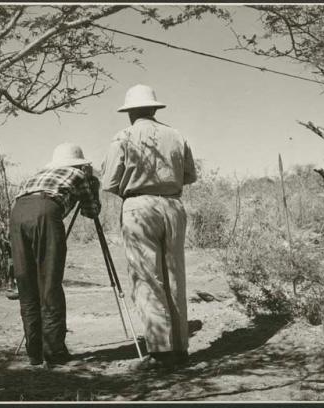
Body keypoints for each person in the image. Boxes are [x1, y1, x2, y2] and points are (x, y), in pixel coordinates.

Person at [101, 84, 197, 370]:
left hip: (139, 206)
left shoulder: (123, 137)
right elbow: (189, 175)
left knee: (146, 277)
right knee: (174, 275)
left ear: (129, 112)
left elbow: (108, 182)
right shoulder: (176, 135)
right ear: (155, 109)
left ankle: (160, 352)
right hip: (173, 205)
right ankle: (179, 349)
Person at [10, 143, 100, 366]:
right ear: (81, 164)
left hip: (17, 214)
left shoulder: (39, 174)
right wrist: (92, 185)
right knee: (49, 282)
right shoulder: (79, 175)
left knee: (27, 284)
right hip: (45, 212)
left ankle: (34, 352)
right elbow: (92, 211)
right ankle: (54, 352)